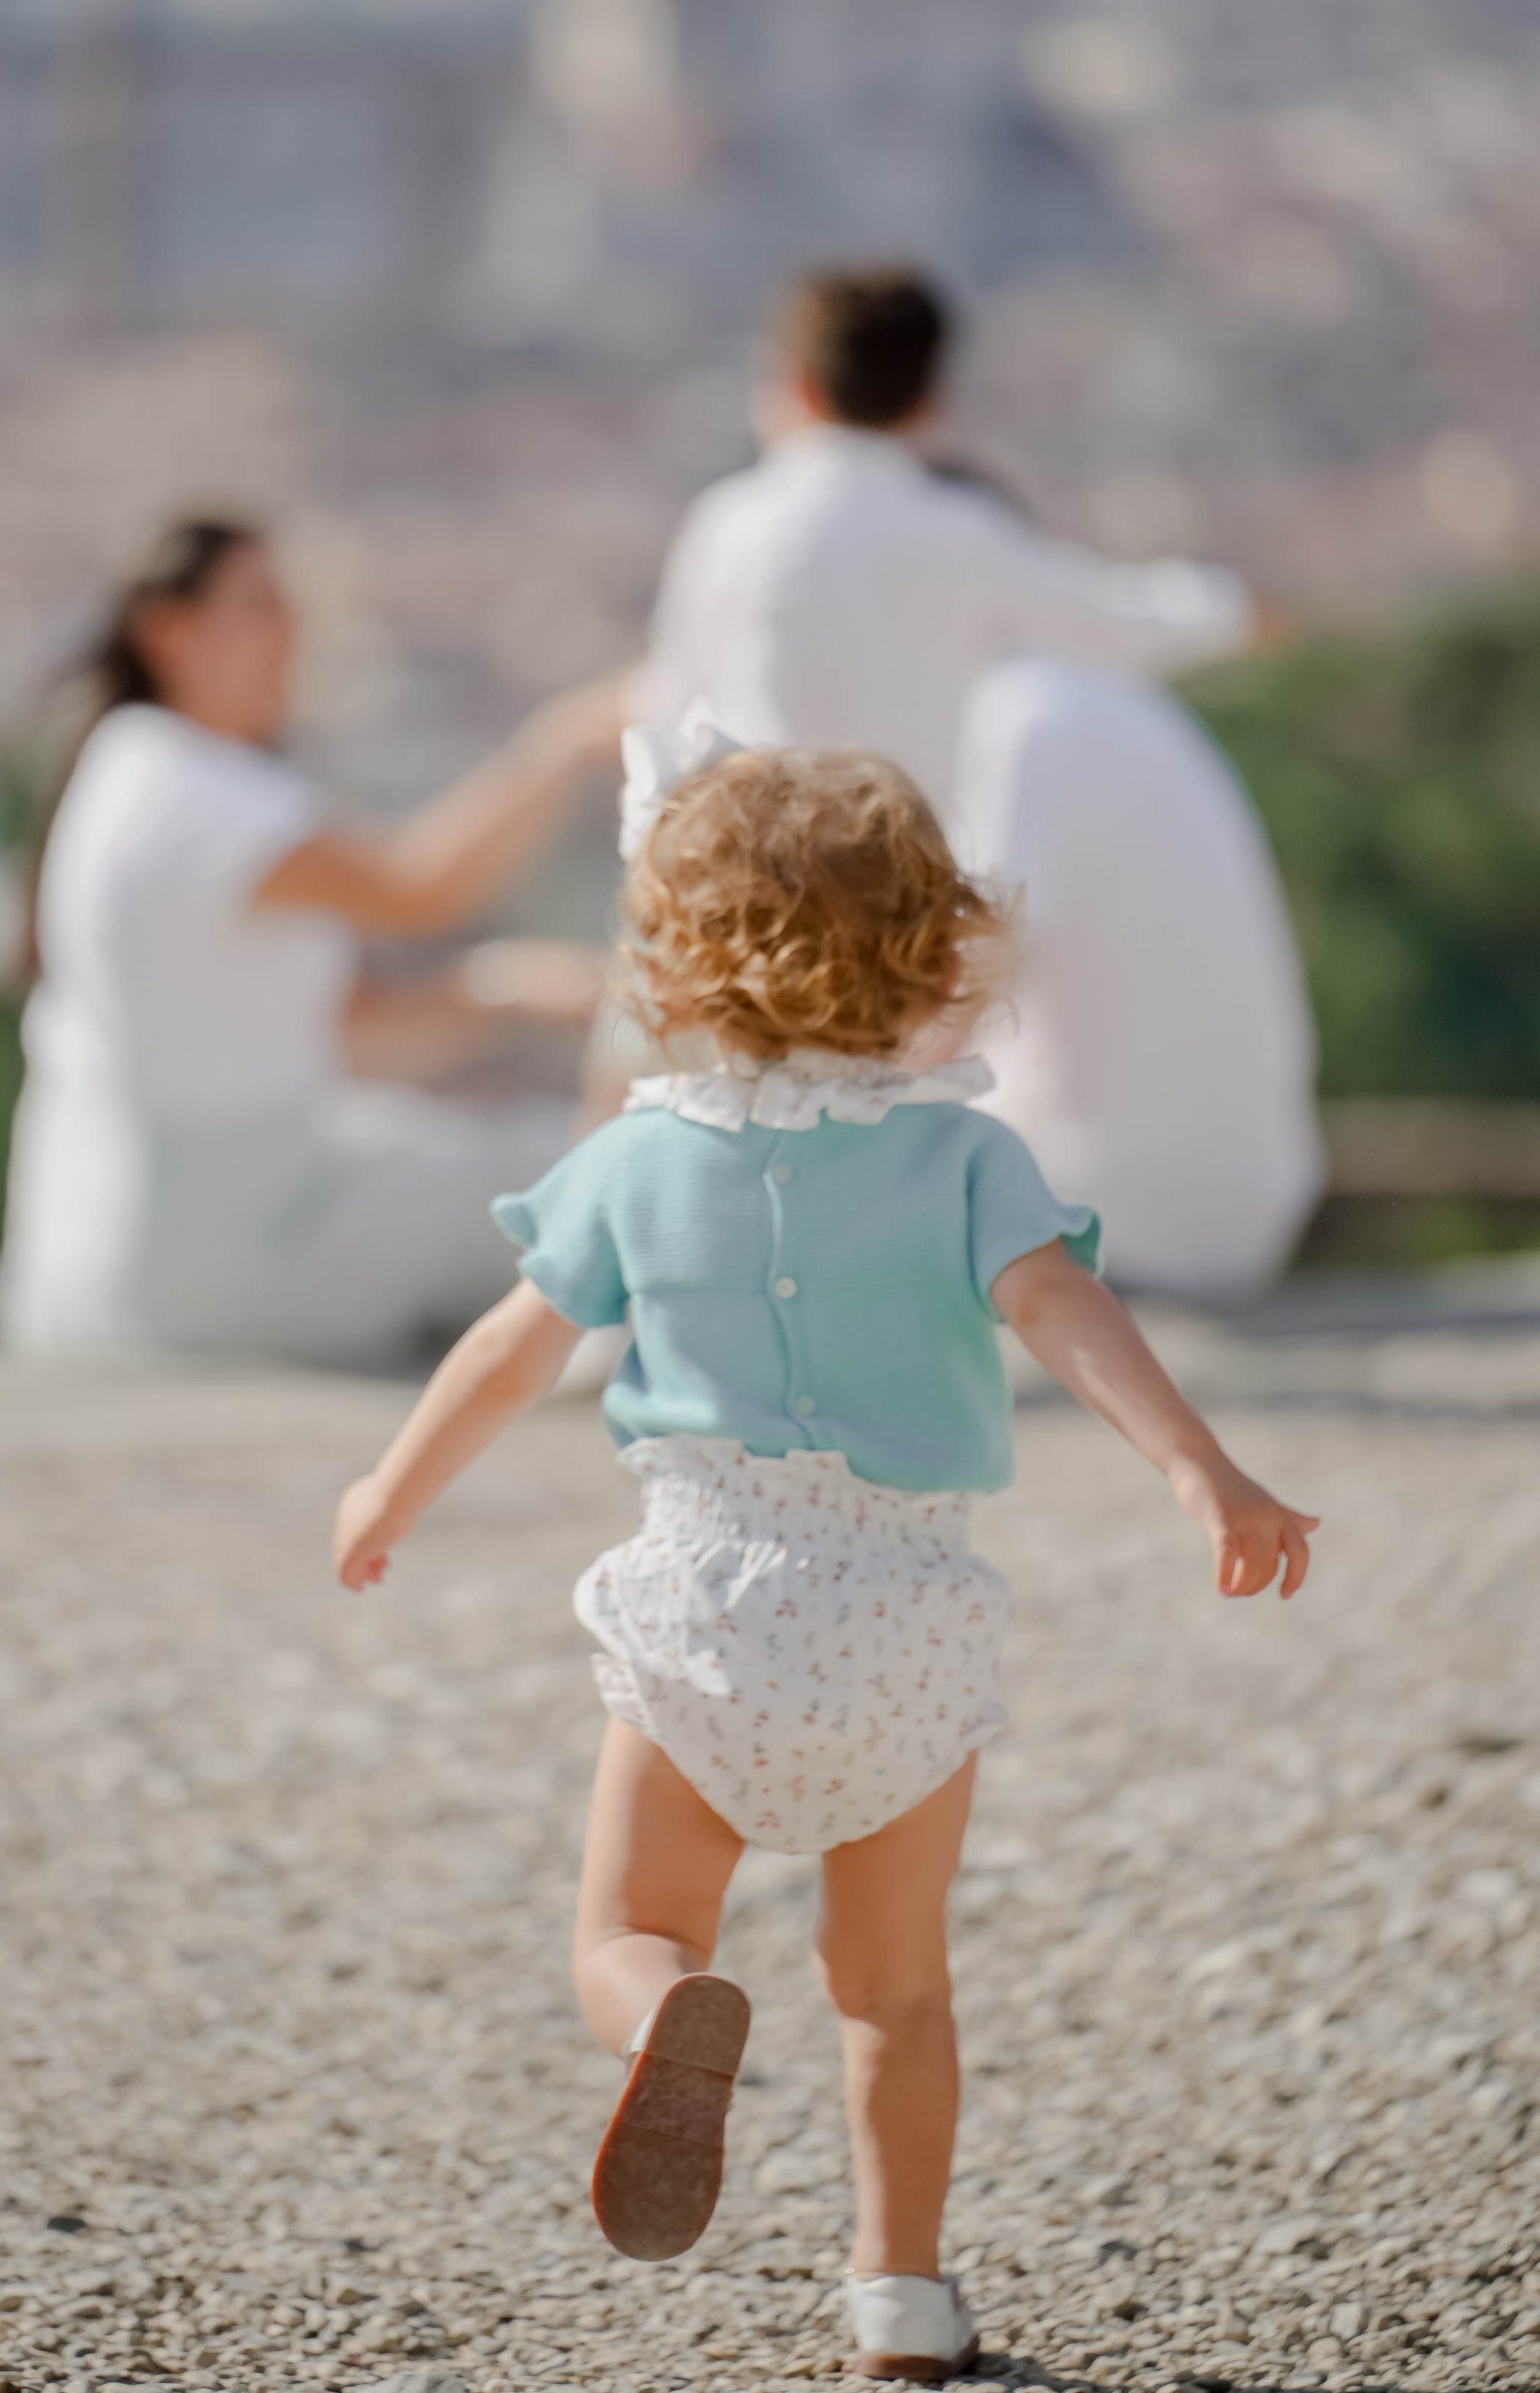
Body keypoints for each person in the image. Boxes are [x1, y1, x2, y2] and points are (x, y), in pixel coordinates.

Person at [332, 742, 1316, 2382]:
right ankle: (898, 2299)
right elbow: (1066, 1314)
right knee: (892, 1993)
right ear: (931, 951)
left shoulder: (637, 1161)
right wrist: (1199, 1471)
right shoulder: (962, 1161)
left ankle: (661, 2023)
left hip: (707, 1611)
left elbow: (510, 1353)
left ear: (670, 957)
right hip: (903, 1627)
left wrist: (386, 1488)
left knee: (625, 1930)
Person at [0, 511, 622, 1370]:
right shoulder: (194, 795)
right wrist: (568, 742)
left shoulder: (129, 764)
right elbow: (419, 887)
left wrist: (510, 990)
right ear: (167, 631)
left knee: (472, 1154)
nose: (293, 631)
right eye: (259, 606)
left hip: (104, 1271)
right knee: (582, 1181)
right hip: (214, 1269)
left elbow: (345, 1027)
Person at [636, 263, 1264, 828]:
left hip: (762, 888)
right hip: (915, 893)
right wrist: (1238, 610)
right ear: (929, 404)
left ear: (795, 385)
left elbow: (672, 715)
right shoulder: (965, 532)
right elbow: (1114, 621)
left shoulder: (728, 525)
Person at [955, 655, 1324, 1299]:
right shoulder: (1124, 705)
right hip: (1244, 1211)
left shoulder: (1027, 709)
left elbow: (971, 967)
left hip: (1102, 1202)